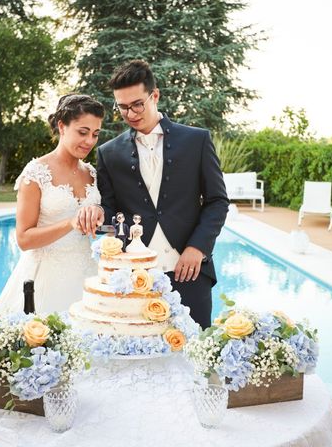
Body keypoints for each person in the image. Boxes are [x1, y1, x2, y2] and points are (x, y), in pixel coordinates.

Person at [92, 59, 229, 328]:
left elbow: (217, 201)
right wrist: (97, 213)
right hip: (134, 277)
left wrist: (197, 248)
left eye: (137, 104)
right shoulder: (108, 153)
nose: (130, 113)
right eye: (122, 107)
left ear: (154, 95)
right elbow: (111, 211)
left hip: (190, 271)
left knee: (195, 355)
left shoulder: (196, 140)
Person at [0, 94, 105, 314]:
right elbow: (24, 239)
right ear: (62, 126)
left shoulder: (92, 173)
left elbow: (100, 220)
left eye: (95, 134)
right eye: (82, 132)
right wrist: (70, 223)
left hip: (87, 277)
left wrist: (99, 213)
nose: (89, 141)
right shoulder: (36, 172)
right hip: (45, 280)